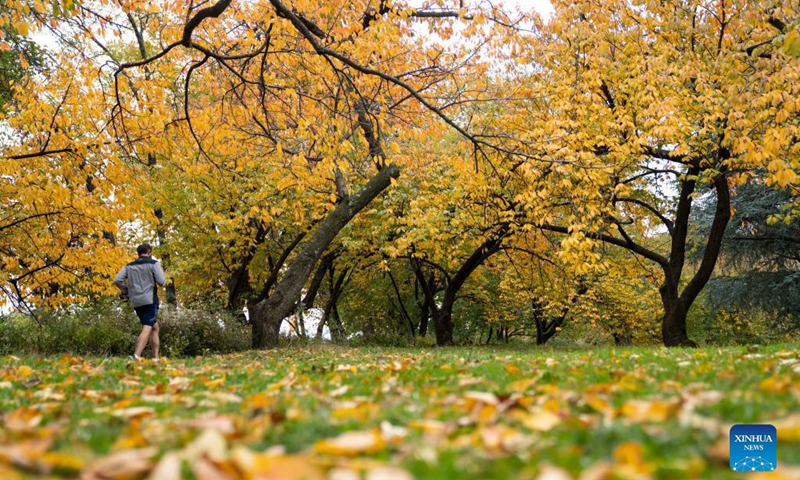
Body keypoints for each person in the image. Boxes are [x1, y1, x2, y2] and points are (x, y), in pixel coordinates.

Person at [114, 244, 166, 361]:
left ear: (138, 253)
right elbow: (161, 281)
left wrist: (126, 290)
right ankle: (136, 356)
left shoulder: (129, 266)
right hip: (150, 300)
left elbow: (117, 280)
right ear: (149, 252)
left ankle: (156, 358)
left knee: (154, 327)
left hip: (136, 301)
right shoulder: (153, 263)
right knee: (147, 327)